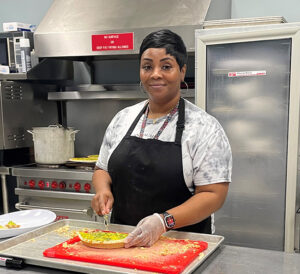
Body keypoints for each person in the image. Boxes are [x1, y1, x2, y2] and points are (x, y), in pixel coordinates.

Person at [91, 29, 232, 248]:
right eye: (147, 66)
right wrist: (103, 190)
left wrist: (163, 221)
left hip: (181, 246)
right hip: (123, 244)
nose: (155, 74)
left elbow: (214, 194)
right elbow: (102, 169)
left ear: (182, 71)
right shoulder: (123, 118)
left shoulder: (204, 128)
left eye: (166, 66)